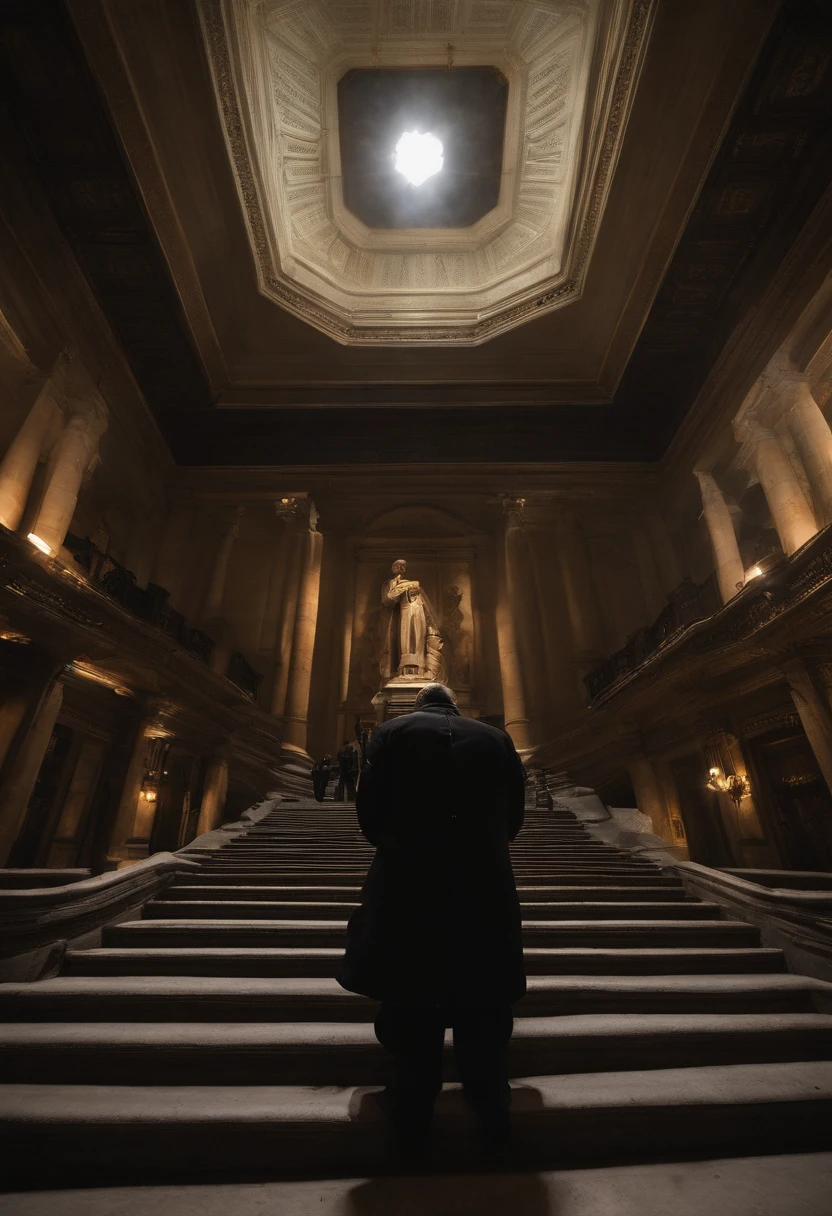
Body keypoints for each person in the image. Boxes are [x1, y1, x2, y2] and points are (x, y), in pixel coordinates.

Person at [338, 682, 526, 1161]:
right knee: (483, 1000)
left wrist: (404, 844)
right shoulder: (496, 739)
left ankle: (411, 1109)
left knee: (411, 997)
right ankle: (491, 1105)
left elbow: (370, 810)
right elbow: (515, 818)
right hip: (484, 886)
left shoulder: (389, 733)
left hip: (409, 883)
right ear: (457, 706)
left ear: (418, 704)